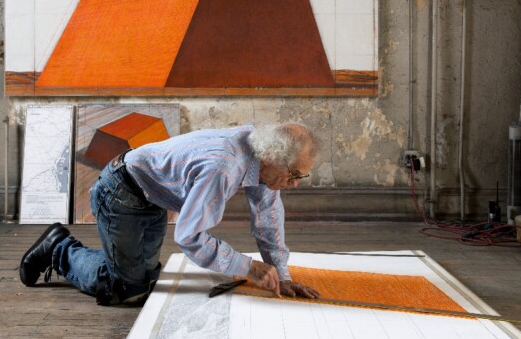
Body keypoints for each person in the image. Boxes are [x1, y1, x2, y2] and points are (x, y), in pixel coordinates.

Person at [19, 123, 322, 306]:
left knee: (146, 281)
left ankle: (123, 264)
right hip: (122, 193)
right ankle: (59, 248)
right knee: (125, 290)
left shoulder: (262, 152)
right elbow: (188, 236)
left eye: (301, 177)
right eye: (294, 174)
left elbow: (267, 218)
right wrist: (249, 268)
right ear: (271, 157)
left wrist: (281, 273)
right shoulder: (224, 167)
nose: (294, 184)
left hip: (150, 195)